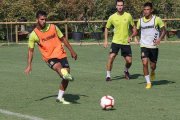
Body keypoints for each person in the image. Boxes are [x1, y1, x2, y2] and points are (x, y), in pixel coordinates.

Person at [24, 10, 77, 104]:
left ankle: (60, 97)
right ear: (37, 20)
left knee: (66, 75)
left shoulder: (53, 27)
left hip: (61, 53)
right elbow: (30, 51)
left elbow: (63, 38)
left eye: (45, 19)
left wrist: (72, 51)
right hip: (49, 57)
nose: (44, 21)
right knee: (58, 68)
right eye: (41, 19)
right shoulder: (33, 34)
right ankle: (65, 74)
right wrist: (29, 65)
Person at [135, 2, 166, 89]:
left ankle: (152, 71)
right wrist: (134, 37)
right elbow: (136, 31)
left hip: (153, 46)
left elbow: (164, 30)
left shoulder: (157, 19)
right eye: (144, 9)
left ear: (151, 10)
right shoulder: (140, 20)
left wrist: (160, 38)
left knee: (153, 65)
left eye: (148, 9)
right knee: (144, 63)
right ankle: (148, 82)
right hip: (143, 45)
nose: (146, 11)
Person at [104, 0, 137, 81]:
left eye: (121, 5)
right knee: (111, 57)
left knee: (129, 61)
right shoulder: (112, 17)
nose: (120, 7)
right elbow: (106, 28)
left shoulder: (128, 16)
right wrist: (105, 40)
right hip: (115, 41)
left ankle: (126, 70)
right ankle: (108, 76)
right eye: (118, 5)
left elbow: (134, 28)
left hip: (126, 42)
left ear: (123, 6)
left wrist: (133, 36)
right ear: (116, 6)